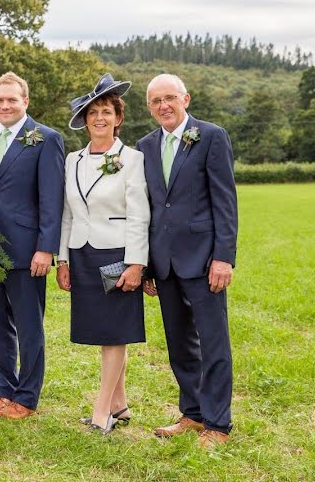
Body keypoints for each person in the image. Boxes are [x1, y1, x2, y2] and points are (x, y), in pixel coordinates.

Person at [136, 73, 238, 448]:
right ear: (149, 108)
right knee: (179, 343)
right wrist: (146, 264)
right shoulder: (144, 145)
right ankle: (193, 413)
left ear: (186, 99)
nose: (163, 106)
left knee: (213, 343)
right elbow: (146, 208)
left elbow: (225, 201)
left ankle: (218, 424)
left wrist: (223, 258)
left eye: (169, 98)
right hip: (164, 263)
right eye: (155, 101)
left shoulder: (211, 136)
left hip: (203, 260)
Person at [55, 74, 150, 434]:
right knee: (103, 332)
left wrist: (136, 263)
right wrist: (62, 260)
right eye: (93, 112)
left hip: (117, 254)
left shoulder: (133, 159)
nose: (99, 118)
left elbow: (141, 214)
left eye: (106, 112)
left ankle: (101, 411)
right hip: (82, 254)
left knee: (114, 333)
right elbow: (67, 213)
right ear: (84, 119)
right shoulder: (72, 160)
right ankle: (120, 405)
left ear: (118, 117)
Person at [0, 72, 65, 419]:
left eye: (12, 99)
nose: (5, 105)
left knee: (29, 327)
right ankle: (4, 390)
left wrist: (46, 248)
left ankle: (26, 398)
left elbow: (52, 198)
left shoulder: (46, 139)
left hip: (28, 249)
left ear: (25, 101)